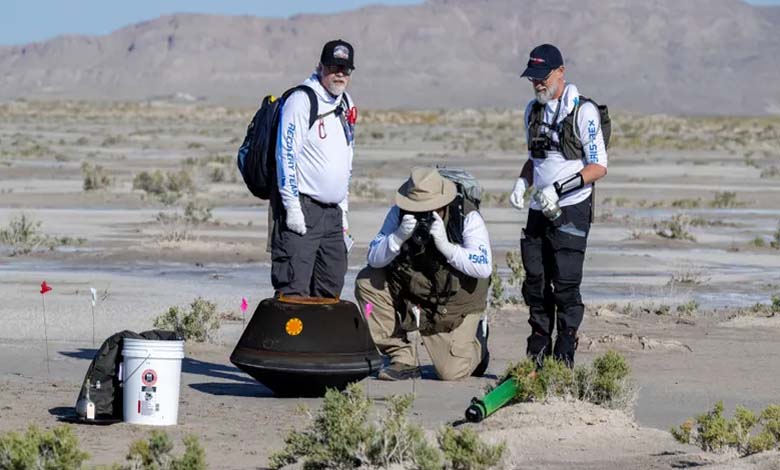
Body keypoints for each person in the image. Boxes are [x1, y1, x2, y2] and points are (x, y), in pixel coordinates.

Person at [509, 44, 608, 367]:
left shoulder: (583, 112)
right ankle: (537, 352)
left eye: (543, 77)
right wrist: (523, 182)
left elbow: (598, 167)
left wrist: (559, 188)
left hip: (572, 209)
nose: (537, 84)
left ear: (560, 73)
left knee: (565, 285)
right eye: (532, 78)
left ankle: (564, 352)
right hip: (539, 209)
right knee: (535, 282)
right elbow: (534, 159)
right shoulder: (532, 111)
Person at [355, 167, 492, 381]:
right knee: (367, 280)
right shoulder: (398, 214)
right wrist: (398, 238)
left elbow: (484, 266)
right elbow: (374, 257)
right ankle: (401, 356)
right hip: (415, 295)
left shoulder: (466, 216)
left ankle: (478, 342)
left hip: (455, 305)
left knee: (450, 372)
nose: (422, 214)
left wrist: (447, 247)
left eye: (429, 208)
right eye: (416, 208)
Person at [271, 39, 357, 298]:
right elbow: (284, 155)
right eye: (334, 67)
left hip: (333, 215)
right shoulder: (302, 100)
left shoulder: (346, 103)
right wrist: (292, 209)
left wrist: (343, 211)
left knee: (330, 288)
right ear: (320, 67)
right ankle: (287, 339)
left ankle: (320, 340)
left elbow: (347, 158)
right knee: (294, 289)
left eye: (346, 69)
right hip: (303, 208)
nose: (340, 74)